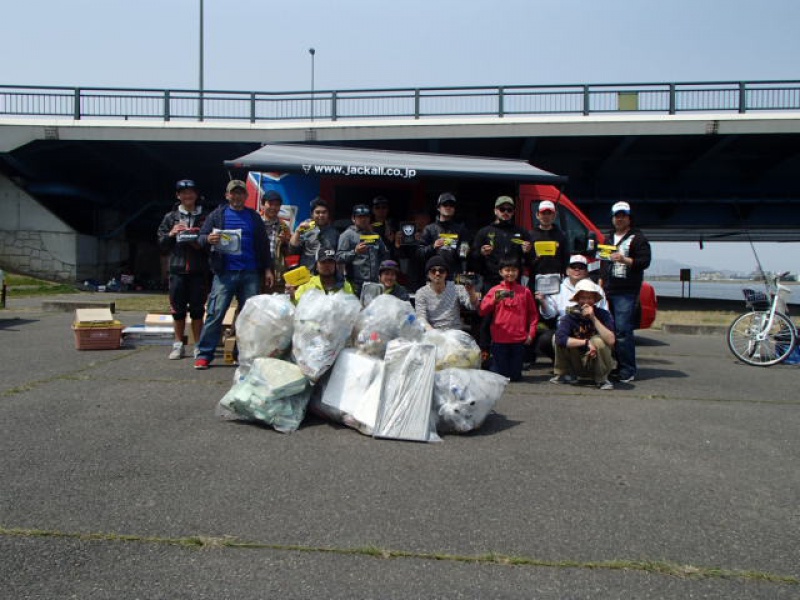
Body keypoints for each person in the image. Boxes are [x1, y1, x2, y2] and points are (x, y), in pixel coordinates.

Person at [192, 180, 274, 370]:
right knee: (215, 313)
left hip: (250, 273)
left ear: (246, 196)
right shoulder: (217, 215)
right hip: (225, 274)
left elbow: (263, 245)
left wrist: (268, 269)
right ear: (227, 195)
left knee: (249, 317)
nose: (237, 197)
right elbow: (201, 237)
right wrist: (208, 239)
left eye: (241, 194)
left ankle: (244, 354)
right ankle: (204, 354)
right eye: (233, 193)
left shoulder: (253, 217)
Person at [156, 179, 209, 360]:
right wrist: (171, 234)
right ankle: (178, 344)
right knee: (177, 310)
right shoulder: (170, 218)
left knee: (197, 309)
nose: (188, 196)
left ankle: (198, 345)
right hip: (177, 269)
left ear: (196, 195)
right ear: (178, 196)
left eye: (191, 192)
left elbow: (210, 243)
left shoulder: (205, 217)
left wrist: (196, 240)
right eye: (183, 193)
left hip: (198, 270)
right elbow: (161, 244)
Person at [599, 201, 652, 383]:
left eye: (623, 215)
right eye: (617, 215)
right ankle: (615, 366)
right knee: (609, 329)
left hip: (626, 291)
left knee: (623, 330)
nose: (619, 218)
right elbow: (604, 263)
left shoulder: (638, 238)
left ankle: (628, 369)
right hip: (608, 289)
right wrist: (600, 284)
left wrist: (624, 259)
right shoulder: (607, 238)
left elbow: (644, 261)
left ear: (629, 218)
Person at [535, 254, 609, 363]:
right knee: (546, 339)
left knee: (606, 339)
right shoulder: (558, 288)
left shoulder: (596, 289)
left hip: (589, 329)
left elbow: (605, 313)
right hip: (565, 329)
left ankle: (592, 367)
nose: (577, 269)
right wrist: (543, 301)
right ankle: (562, 364)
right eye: (573, 267)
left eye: (581, 267)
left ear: (587, 271)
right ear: (567, 270)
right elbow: (549, 314)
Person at [479, 258, 539, 382]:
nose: (510, 273)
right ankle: (489, 364)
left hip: (518, 339)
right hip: (499, 339)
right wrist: (494, 300)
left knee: (515, 377)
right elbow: (482, 310)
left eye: (513, 270)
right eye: (507, 270)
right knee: (501, 376)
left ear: (518, 272)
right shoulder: (495, 290)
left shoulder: (525, 291)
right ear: (501, 272)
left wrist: (531, 334)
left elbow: (533, 315)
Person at [552, 279, 616, 390]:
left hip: (599, 362)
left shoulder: (603, 314)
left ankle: (602, 379)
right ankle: (564, 374)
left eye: (590, 298)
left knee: (598, 340)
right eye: (583, 298)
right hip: (578, 360)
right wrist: (586, 343)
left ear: (595, 300)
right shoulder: (571, 316)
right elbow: (559, 338)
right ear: (577, 299)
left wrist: (593, 318)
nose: (586, 301)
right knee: (555, 337)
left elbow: (611, 340)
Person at [415, 256, 479, 331]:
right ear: (428, 274)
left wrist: (471, 292)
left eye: (441, 270)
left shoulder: (457, 288)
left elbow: (473, 306)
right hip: (432, 334)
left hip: (454, 333)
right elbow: (421, 318)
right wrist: (433, 333)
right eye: (433, 271)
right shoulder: (421, 293)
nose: (437, 273)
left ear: (446, 274)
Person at [336, 204, 388, 296]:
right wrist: (355, 252)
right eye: (360, 217)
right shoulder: (347, 235)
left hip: (374, 283)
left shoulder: (375, 236)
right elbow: (339, 257)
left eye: (366, 216)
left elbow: (384, 255)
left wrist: (382, 274)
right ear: (353, 218)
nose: (363, 219)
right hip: (355, 284)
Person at [418, 192, 470, 277]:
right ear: (438, 208)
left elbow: (464, 256)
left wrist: (463, 251)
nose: (448, 207)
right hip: (434, 275)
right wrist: (433, 246)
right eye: (445, 204)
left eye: (451, 205)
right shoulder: (429, 229)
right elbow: (419, 254)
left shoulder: (461, 229)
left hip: (454, 276)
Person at [287, 196, 339, 270]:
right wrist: (298, 231)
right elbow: (292, 249)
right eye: (317, 212)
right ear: (312, 214)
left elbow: (338, 256)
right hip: (308, 273)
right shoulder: (305, 229)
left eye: (324, 212)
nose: (321, 215)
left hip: (327, 274)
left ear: (328, 214)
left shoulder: (334, 232)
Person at [289, 248, 354, 304]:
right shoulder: (306, 285)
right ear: (316, 266)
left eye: (330, 262)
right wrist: (292, 297)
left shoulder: (345, 285)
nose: (327, 265)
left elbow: (352, 307)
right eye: (323, 262)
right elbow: (296, 307)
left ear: (335, 265)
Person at [528, 199, 569, 281]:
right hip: (536, 278)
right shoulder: (530, 235)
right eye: (543, 213)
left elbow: (566, 258)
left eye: (549, 213)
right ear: (537, 215)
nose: (546, 216)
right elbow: (526, 260)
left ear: (554, 216)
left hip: (556, 278)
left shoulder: (561, 235)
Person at [259, 189, 291, 291]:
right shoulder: (256, 223)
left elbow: (289, 251)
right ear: (263, 205)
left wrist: (286, 241)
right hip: (257, 267)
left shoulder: (283, 226)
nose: (273, 207)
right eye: (270, 204)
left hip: (276, 268)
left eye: (277, 205)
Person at [395, 208, 431, 291]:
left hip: (430, 275)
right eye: (418, 218)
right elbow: (402, 257)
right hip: (413, 276)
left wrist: (421, 240)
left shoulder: (433, 233)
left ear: (428, 219)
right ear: (414, 221)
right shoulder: (408, 235)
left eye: (423, 218)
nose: (421, 221)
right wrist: (397, 245)